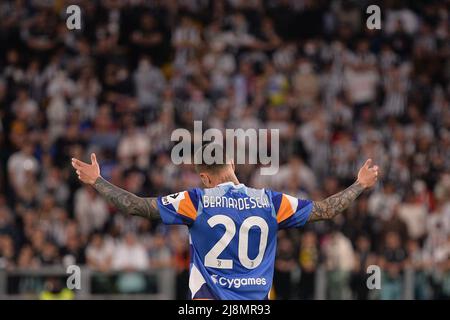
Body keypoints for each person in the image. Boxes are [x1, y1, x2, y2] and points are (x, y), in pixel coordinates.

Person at [71, 144, 379, 300]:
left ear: (204, 176)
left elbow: (137, 207)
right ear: (230, 165)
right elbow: (327, 210)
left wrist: (97, 181)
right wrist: (359, 184)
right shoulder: (271, 202)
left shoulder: (196, 201)